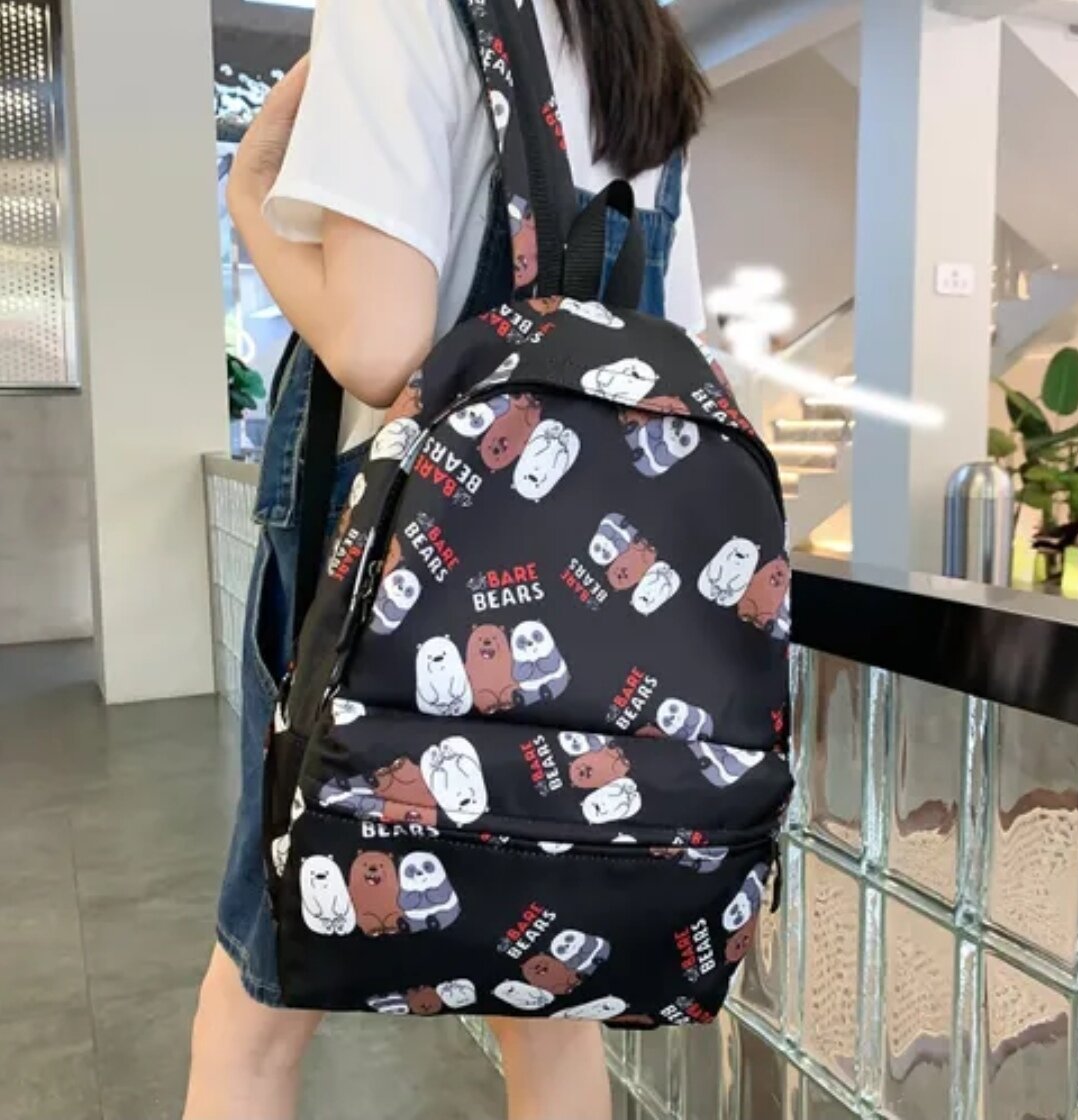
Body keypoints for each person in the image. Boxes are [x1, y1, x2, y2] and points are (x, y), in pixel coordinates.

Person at [184, 3, 708, 1118]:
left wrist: (250, 201)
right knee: (551, 1008)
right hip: (585, 599)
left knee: (258, 1006)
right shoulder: (635, 40)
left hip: (379, 575)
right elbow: (678, 360)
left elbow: (382, 349)